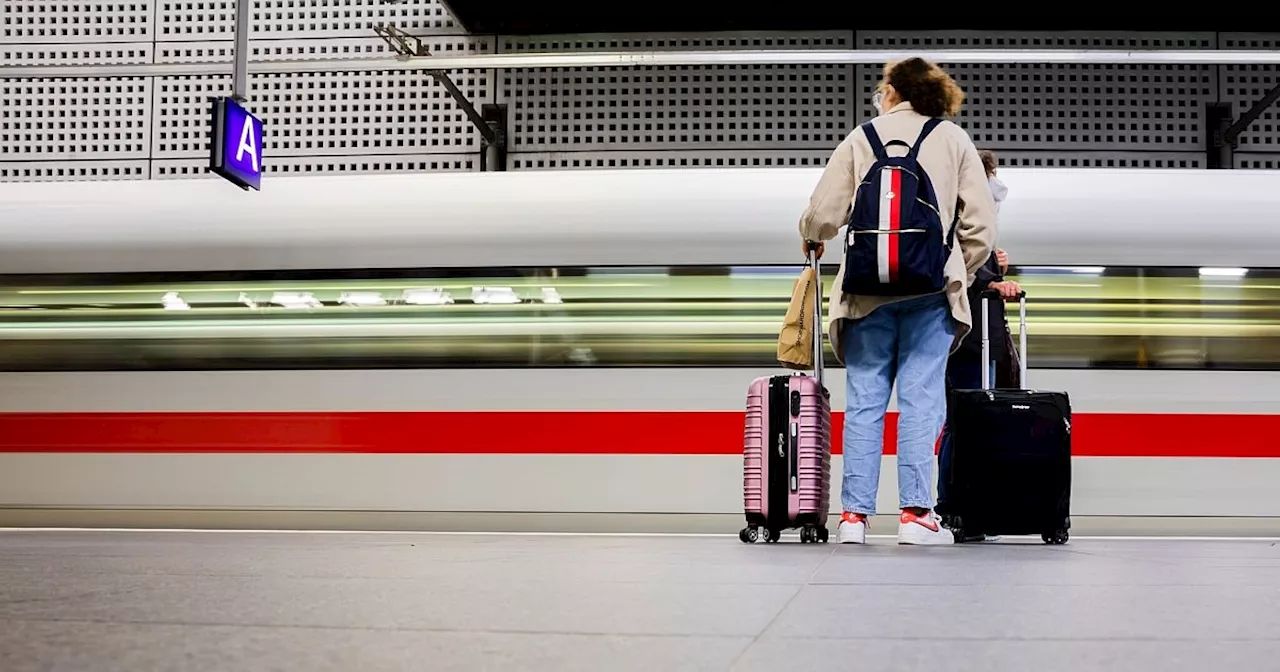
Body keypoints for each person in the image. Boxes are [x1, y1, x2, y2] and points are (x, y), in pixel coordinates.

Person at [799, 57, 997, 545]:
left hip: (865, 294)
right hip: (931, 295)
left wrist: (813, 236)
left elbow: (821, 217)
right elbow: (981, 229)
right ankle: (915, 516)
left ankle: (853, 520)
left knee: (865, 402)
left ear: (891, 90)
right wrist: (955, 272)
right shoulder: (953, 139)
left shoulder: (861, 137)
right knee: (921, 401)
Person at [934, 149, 1021, 536]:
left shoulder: (969, 229)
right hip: (970, 341)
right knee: (966, 423)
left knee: (963, 423)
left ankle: (959, 505)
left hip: (977, 341)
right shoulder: (958, 225)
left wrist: (996, 269)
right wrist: (991, 282)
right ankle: (956, 507)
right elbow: (956, 280)